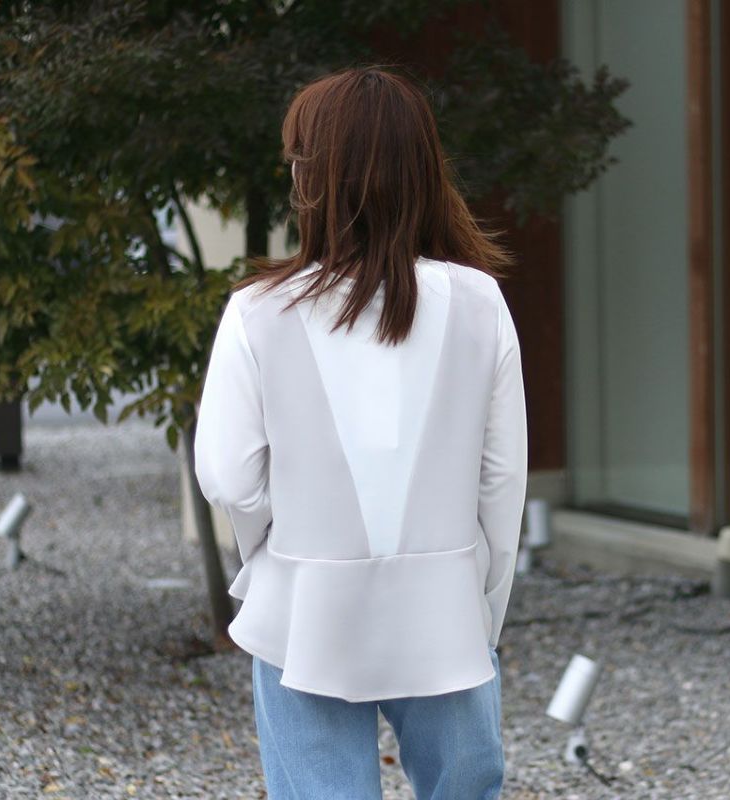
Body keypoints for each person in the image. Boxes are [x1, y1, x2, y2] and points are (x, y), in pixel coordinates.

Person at [194, 65, 528, 800]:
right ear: (422, 171)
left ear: (315, 179)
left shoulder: (258, 312)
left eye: (297, 160)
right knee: (465, 787)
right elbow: (502, 483)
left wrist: (284, 550)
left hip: (304, 606)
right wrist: (483, 611)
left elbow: (229, 478)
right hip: (445, 605)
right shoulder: (480, 302)